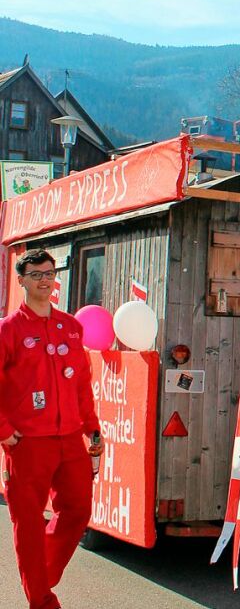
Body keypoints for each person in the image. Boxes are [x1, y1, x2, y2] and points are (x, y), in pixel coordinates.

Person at [0, 249, 102, 609]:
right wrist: (4, 432)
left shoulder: (72, 327)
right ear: (22, 280)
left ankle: (40, 573)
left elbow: (82, 385)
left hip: (69, 439)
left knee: (78, 509)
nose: (45, 279)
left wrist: (92, 428)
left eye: (50, 272)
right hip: (27, 444)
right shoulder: (8, 329)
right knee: (28, 524)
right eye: (36, 273)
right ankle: (41, 600)